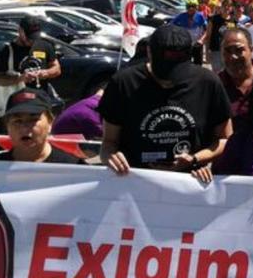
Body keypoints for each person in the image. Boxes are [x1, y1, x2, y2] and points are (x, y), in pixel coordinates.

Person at [98, 25, 233, 175]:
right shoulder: (123, 83)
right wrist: (111, 157)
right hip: (135, 180)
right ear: (149, 52)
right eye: (164, 70)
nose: (169, 80)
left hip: (190, 182)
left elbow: (225, 139)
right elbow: (109, 143)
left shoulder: (207, 82)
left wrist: (195, 159)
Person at [0, 87, 83, 165]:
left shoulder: (75, 167)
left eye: (33, 119)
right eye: (17, 121)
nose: (24, 128)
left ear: (50, 122)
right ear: (7, 127)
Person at [0, 14, 63, 119]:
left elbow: (56, 68)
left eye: (35, 36)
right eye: (29, 37)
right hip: (17, 104)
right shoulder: (6, 51)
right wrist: (20, 78)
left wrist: (46, 73)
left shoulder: (45, 45)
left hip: (41, 100)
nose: (32, 40)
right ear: (20, 31)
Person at [215, 26, 253, 126]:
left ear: (251, 50)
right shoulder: (214, 85)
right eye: (228, 51)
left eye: (239, 50)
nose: (233, 57)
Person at [171, 0, 209, 65]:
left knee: (198, 65)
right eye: (189, 6)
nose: (191, 8)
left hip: (197, 44)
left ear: (196, 7)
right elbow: (171, 27)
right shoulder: (181, 16)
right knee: (185, 64)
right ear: (186, 7)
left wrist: (201, 40)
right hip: (185, 45)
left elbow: (207, 30)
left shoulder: (200, 16)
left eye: (193, 6)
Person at [204, 0, 237, 72]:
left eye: (229, 6)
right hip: (216, 51)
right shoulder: (214, 19)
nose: (227, 8)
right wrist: (206, 52)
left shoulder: (234, 20)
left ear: (231, 8)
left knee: (229, 72)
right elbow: (208, 35)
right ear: (221, 7)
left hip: (229, 51)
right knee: (218, 73)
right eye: (225, 6)